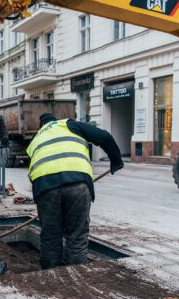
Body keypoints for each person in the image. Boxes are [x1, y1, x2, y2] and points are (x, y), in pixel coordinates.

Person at [27, 113, 124, 269]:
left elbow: (33, 172)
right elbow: (104, 137)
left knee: (50, 238)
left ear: (41, 127)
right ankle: (76, 278)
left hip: (46, 187)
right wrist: (116, 160)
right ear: (55, 121)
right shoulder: (68, 124)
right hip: (77, 184)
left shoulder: (35, 140)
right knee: (76, 237)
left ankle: (50, 280)